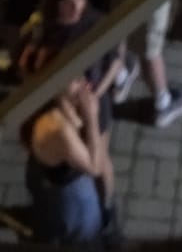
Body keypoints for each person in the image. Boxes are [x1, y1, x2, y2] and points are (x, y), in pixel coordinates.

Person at [24, 77, 114, 246]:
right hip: (71, 195)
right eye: (76, 81)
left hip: (47, 179)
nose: (84, 84)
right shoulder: (59, 128)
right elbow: (95, 167)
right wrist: (91, 116)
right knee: (86, 239)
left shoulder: (53, 102)